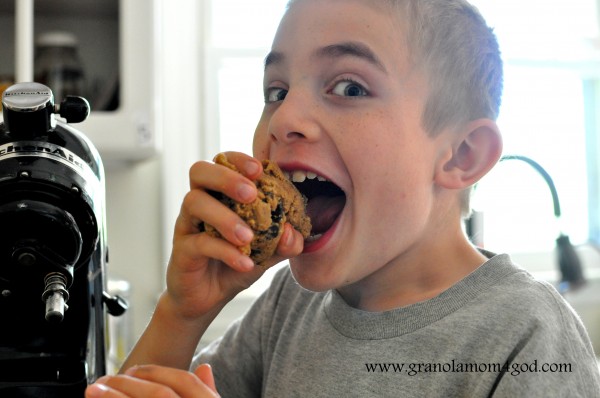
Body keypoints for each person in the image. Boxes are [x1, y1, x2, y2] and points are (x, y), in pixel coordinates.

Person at [86, 0, 600, 396]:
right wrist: (182, 312)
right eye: (276, 91)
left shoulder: (526, 335)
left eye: (350, 88)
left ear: (461, 155)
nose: (284, 119)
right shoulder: (287, 307)